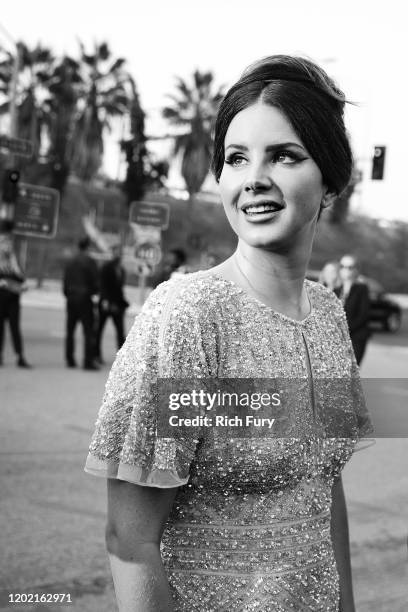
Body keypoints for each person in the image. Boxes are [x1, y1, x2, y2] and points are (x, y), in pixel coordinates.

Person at [85, 55, 373, 611]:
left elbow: (323, 491)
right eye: (236, 158)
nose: (254, 179)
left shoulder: (330, 315)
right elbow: (131, 540)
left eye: (285, 156)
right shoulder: (188, 316)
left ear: (331, 182)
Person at [63, 236, 99, 370]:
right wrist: (94, 293)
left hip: (71, 298)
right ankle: (87, 361)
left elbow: (65, 280)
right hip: (85, 299)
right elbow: (96, 281)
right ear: (88, 247)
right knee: (88, 331)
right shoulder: (90, 261)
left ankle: (70, 359)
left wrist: (68, 294)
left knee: (70, 331)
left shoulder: (71, 261)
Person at [0, 233, 31, 368]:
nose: (8, 246)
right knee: (0, 328)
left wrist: (20, 281)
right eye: (5, 244)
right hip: (1, 298)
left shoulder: (14, 261)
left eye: (9, 244)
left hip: (13, 298)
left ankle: (20, 356)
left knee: (15, 328)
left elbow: (22, 278)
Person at [95, 244, 129, 364]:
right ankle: (96, 355)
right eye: (116, 253)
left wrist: (123, 303)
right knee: (99, 330)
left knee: (120, 332)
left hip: (118, 305)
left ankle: (122, 357)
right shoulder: (106, 267)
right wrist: (106, 301)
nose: (118, 255)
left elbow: (119, 289)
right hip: (106, 304)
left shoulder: (121, 269)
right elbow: (103, 286)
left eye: (120, 253)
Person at [336, 254, 371, 365]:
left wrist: (345, 330)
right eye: (343, 266)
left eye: (350, 267)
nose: (346, 270)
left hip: (355, 337)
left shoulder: (362, 288)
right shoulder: (337, 288)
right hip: (337, 338)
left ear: (356, 270)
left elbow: (363, 315)